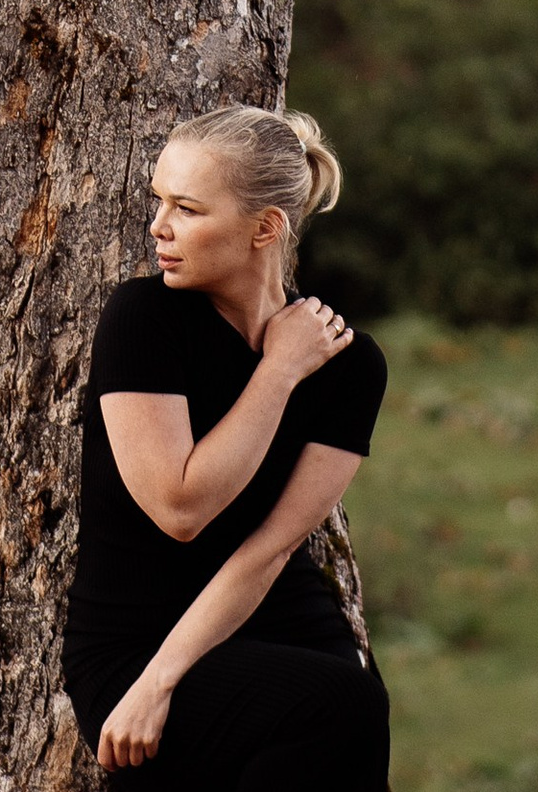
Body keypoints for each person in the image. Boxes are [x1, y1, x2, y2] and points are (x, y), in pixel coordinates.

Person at [62, 105, 390, 786]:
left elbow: (271, 549)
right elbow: (180, 509)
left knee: (352, 706)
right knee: (333, 704)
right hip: (136, 641)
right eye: (160, 201)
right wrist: (278, 371)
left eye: (186, 208)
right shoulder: (144, 320)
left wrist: (297, 363)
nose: (158, 226)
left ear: (264, 228)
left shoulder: (350, 367)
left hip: (274, 618)